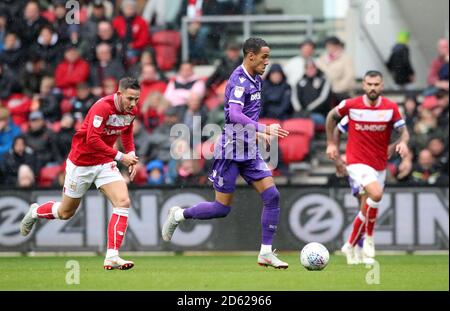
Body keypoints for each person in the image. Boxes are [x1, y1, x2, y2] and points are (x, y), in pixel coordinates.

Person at [161, 37, 290, 269]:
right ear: (251, 56)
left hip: (249, 149)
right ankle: (179, 215)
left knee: (272, 196)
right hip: (230, 152)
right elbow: (235, 114)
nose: (267, 62)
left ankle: (266, 253)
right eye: (264, 57)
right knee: (221, 209)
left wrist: (257, 135)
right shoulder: (239, 79)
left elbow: (244, 119)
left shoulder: (257, 79)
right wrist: (264, 128)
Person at [20, 77, 140, 270]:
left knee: (123, 201)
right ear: (119, 94)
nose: (133, 104)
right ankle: (35, 212)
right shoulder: (102, 107)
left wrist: (131, 155)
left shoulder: (130, 111)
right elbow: (92, 139)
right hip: (81, 163)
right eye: (130, 99)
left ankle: (112, 255)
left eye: (136, 99)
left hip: (104, 162)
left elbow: (126, 131)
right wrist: (121, 156)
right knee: (65, 212)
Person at [325, 70, 410, 263]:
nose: (372, 87)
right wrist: (333, 147)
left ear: (381, 86)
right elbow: (334, 123)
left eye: (376, 84)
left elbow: (404, 132)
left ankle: (352, 246)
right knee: (375, 195)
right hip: (356, 163)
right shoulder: (352, 106)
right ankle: (368, 241)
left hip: (379, 164)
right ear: (363, 85)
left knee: (366, 206)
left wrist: (400, 143)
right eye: (369, 84)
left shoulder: (390, 108)